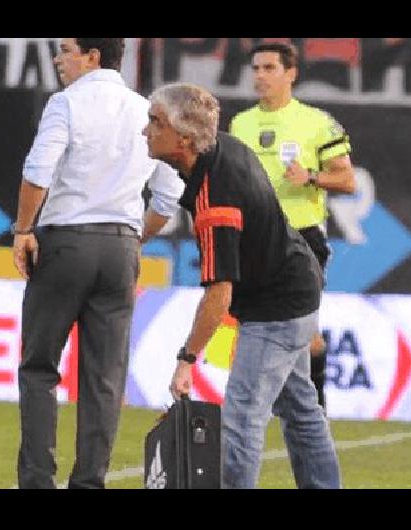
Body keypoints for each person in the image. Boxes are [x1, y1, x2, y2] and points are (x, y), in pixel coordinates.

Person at [142, 82, 341, 489]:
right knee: (302, 413)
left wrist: (187, 359)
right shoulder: (225, 147)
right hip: (295, 290)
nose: (146, 130)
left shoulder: (216, 197)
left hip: (276, 309)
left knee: (241, 422)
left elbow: (220, 294)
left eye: (155, 122)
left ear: (183, 139)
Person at [12, 38, 184, 489]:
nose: (58, 58)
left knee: (39, 367)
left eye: (66, 49)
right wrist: (132, 240)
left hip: (65, 244)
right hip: (120, 248)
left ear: (92, 56)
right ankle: (90, 482)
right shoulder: (147, 109)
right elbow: (169, 195)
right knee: (105, 379)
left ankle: (37, 481)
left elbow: (37, 171)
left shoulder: (66, 104)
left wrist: (23, 230)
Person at [229, 42, 356, 410]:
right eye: (256, 69)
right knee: (253, 321)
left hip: (301, 237)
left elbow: (347, 180)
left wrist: (311, 177)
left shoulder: (316, 122)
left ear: (291, 74)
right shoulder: (241, 124)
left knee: (304, 331)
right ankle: (274, 405)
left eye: (269, 68)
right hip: (254, 238)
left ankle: (316, 407)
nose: (260, 76)